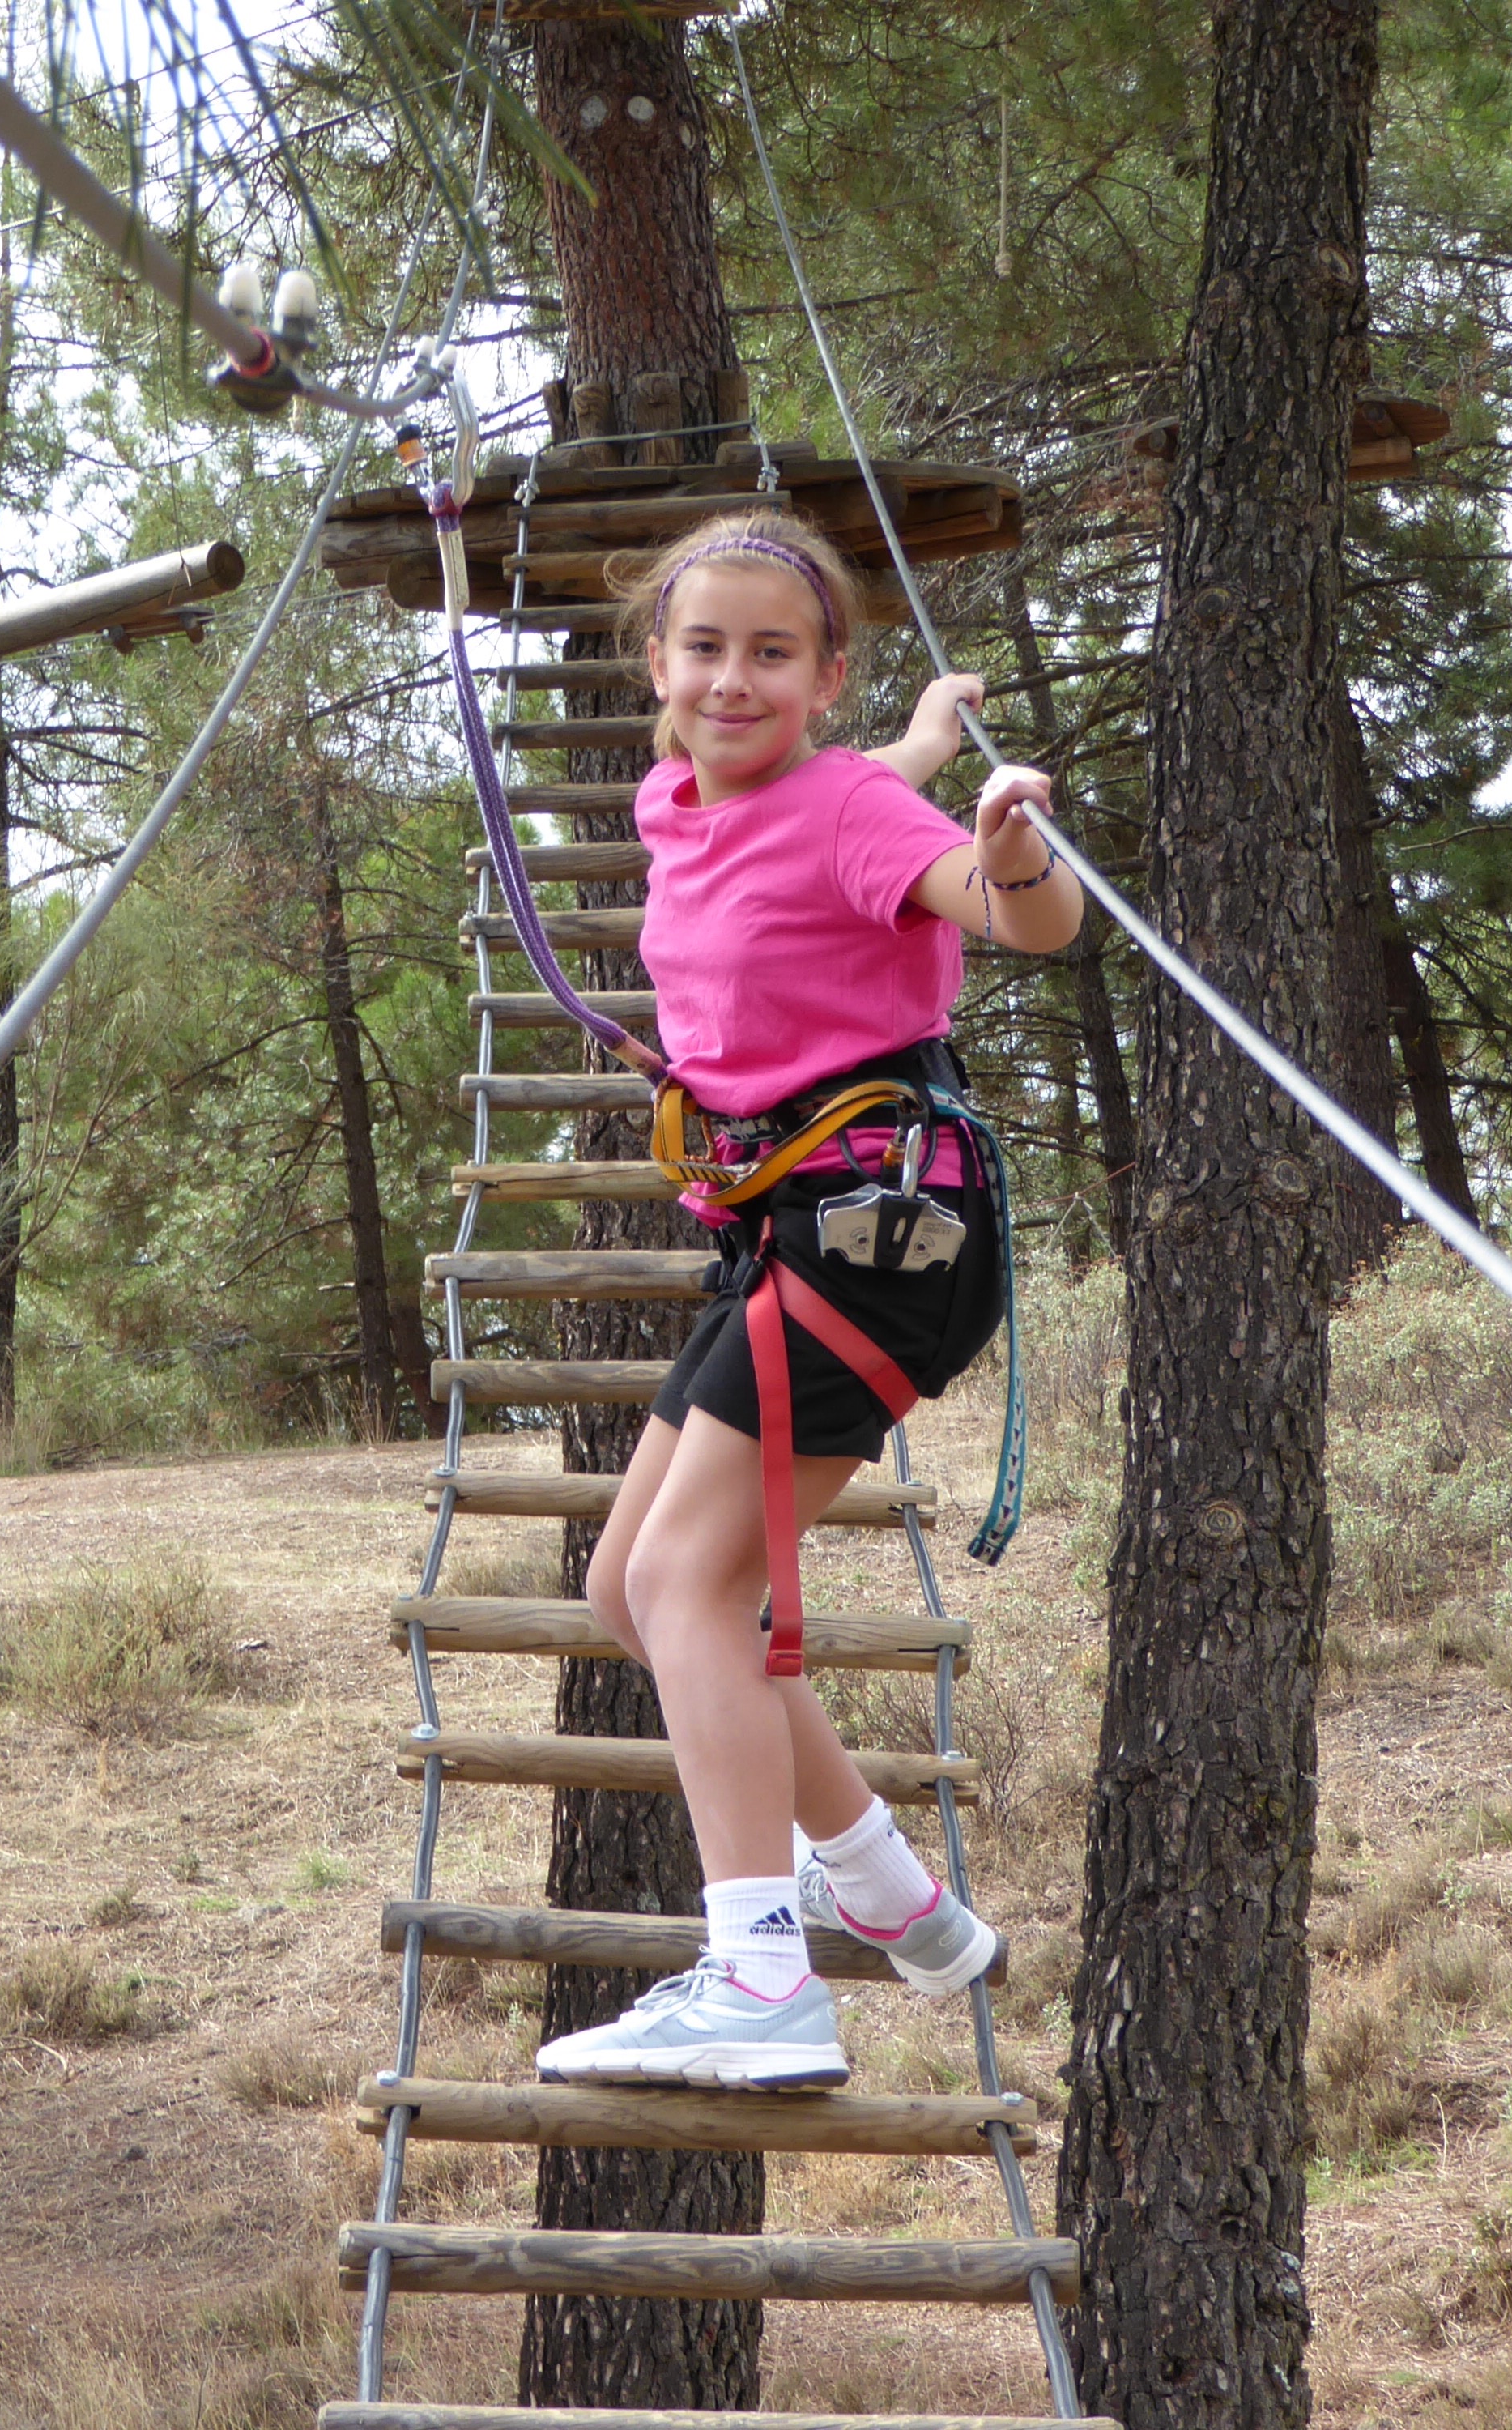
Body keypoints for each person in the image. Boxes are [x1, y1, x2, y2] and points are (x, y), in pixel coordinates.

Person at [532, 509, 1080, 2092]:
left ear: (823, 677)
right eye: (704, 647)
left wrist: (1009, 847)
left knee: (687, 1588)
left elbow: (1013, 916)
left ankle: (762, 1981)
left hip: (878, 1234)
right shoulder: (686, 800)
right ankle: (884, 1892)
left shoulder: (850, 809)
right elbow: (827, 803)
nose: (731, 678)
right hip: (786, 1232)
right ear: (655, 663)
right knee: (629, 1590)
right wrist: (921, 742)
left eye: (772, 653)